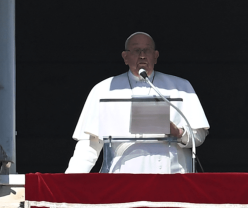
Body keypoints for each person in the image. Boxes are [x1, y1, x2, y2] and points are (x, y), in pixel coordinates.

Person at [65, 32, 209, 173]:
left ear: (156, 56)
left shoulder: (181, 87)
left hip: (172, 175)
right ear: (125, 57)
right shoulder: (103, 89)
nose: (142, 55)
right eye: (136, 50)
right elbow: (89, 144)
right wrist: (70, 181)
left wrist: (178, 133)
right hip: (124, 178)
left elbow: (199, 136)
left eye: (147, 50)